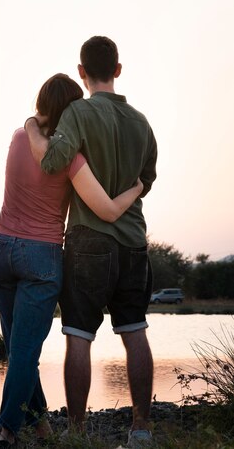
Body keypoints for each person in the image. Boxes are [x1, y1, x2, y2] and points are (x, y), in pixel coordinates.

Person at [0, 73, 144, 448]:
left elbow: (34, 135)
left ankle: (40, 427)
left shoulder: (19, 136)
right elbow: (106, 210)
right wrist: (136, 188)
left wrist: (30, 120)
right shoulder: (71, 157)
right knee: (24, 351)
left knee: (18, 350)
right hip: (40, 257)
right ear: (74, 110)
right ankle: (8, 428)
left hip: (1, 251)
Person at [25, 38, 157, 448]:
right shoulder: (141, 122)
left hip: (87, 241)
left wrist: (33, 127)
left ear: (81, 72)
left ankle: (77, 433)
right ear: (117, 69)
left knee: (78, 335)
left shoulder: (78, 113)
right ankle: (141, 430)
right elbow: (146, 180)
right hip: (134, 241)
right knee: (135, 333)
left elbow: (52, 161)